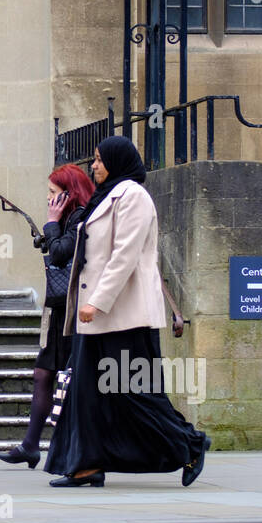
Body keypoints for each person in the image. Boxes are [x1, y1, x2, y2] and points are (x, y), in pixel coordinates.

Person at [45, 135, 210, 488]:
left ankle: (192, 443)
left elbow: (125, 255)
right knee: (87, 393)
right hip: (98, 318)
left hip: (124, 317)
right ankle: (86, 465)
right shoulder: (104, 198)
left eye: (99, 160)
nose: (94, 166)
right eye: (94, 159)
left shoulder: (133, 196)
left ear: (117, 161)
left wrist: (96, 302)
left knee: (134, 392)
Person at [0, 164, 95, 468]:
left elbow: (64, 252)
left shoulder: (80, 218)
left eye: (53, 193)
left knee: (65, 378)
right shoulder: (68, 219)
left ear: (69, 193)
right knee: (42, 374)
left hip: (72, 311)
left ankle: (68, 450)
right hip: (56, 308)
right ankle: (30, 445)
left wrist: (51, 224)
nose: (49, 199)